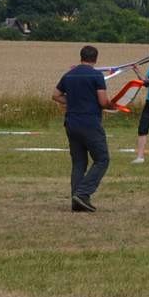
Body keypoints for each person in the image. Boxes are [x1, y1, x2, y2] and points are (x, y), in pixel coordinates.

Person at [53, 44, 109, 212]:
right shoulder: (97, 75)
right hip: (90, 123)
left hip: (71, 123)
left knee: (79, 162)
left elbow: (55, 95)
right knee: (102, 159)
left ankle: (76, 202)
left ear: (81, 57)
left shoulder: (69, 74)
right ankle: (83, 194)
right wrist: (112, 105)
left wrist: (72, 102)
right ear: (95, 59)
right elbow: (103, 101)